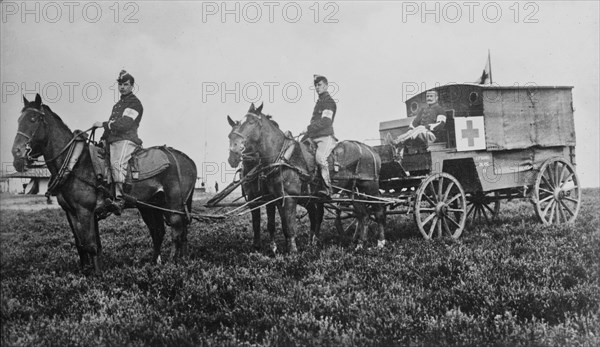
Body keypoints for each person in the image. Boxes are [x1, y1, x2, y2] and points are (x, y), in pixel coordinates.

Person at [93, 70, 143, 215]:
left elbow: (125, 124)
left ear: (132, 86)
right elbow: (111, 125)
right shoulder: (118, 105)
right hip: (113, 140)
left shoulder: (135, 103)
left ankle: (120, 199)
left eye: (126, 84)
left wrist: (103, 124)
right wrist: (102, 139)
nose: (122, 87)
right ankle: (103, 196)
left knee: (116, 163)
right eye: (120, 84)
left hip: (127, 139)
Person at [302, 74, 337, 198]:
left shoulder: (329, 102)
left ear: (326, 86)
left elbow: (326, 122)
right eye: (316, 85)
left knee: (320, 158)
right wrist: (305, 136)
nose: (317, 87)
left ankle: (328, 189)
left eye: (320, 85)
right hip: (314, 137)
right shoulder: (319, 102)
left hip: (326, 137)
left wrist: (309, 128)